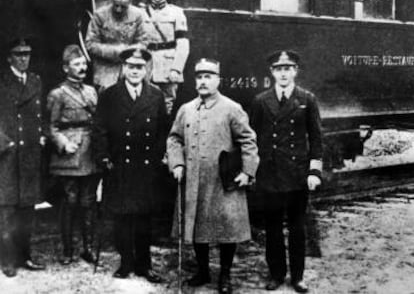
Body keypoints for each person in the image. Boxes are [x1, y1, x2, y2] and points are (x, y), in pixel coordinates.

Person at [167, 58, 259, 294]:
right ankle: (203, 271)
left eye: (208, 76)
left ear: (218, 80)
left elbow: (248, 140)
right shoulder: (186, 109)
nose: (203, 81)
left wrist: (247, 172)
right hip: (194, 181)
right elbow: (174, 138)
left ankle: (225, 275)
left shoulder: (231, 108)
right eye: (199, 77)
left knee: (227, 230)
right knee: (198, 228)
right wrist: (176, 163)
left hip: (223, 181)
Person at [250, 50, 323, 293]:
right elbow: (253, 137)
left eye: (288, 68)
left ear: (295, 72)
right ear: (272, 72)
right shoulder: (261, 101)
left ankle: (298, 276)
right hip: (269, 174)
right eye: (279, 69)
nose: (283, 73)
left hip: (297, 174)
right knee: (272, 228)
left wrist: (314, 172)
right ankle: (277, 274)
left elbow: (316, 138)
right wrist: (252, 170)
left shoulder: (307, 99)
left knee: (297, 228)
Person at [93, 45, 168, 281]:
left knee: (145, 217)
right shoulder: (109, 95)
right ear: (123, 68)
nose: (135, 71)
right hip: (120, 166)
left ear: (145, 69)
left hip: (146, 167)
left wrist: (157, 158)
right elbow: (100, 129)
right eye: (130, 67)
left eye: (139, 67)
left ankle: (144, 265)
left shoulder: (156, 95)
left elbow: (163, 131)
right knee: (122, 217)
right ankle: (125, 263)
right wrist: (104, 157)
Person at [47, 45, 100, 265]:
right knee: (70, 201)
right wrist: (63, 143)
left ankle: (87, 248)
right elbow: (50, 126)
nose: (82, 68)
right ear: (65, 67)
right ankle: (68, 250)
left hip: (90, 152)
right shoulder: (57, 94)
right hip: (70, 153)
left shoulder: (91, 91)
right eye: (76, 64)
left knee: (88, 201)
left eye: (83, 64)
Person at [0, 38, 45, 277]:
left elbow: (40, 117)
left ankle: (24, 255)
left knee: (27, 208)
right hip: (6, 154)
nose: (23, 58)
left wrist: (42, 136)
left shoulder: (36, 81)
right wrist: (3, 142)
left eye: (27, 54)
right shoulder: (2, 81)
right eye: (18, 54)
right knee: (6, 209)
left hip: (28, 153)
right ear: (9, 58)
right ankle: (7, 259)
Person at [143, 0, 189, 114]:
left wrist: (176, 68)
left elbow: (183, 43)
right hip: (146, 65)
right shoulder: (140, 12)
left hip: (167, 66)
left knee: (166, 106)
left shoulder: (177, 13)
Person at [85, 0, 148, 90]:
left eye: (123, 7)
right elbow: (90, 44)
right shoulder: (99, 15)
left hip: (130, 69)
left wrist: (128, 51)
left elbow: (144, 41)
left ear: (130, 1)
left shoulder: (137, 15)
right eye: (116, 5)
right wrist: (114, 51)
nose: (119, 10)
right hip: (105, 71)